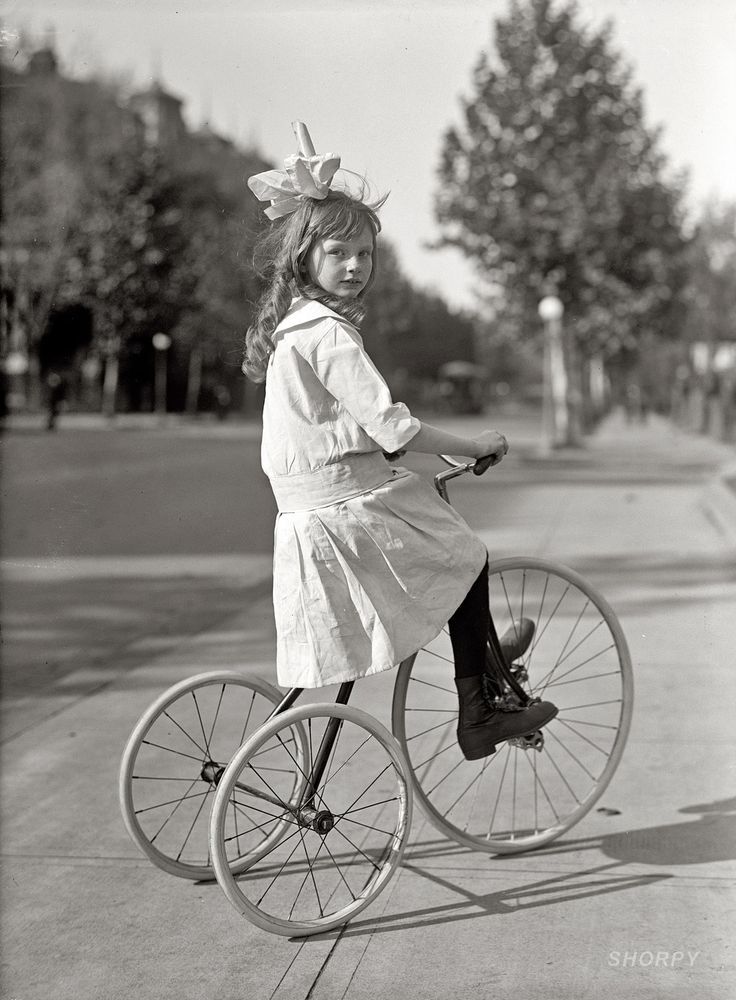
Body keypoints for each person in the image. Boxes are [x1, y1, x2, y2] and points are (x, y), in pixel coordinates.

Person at [244, 126, 557, 760]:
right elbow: (393, 427)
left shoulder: (293, 329)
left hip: (309, 514)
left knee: (446, 562)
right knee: (466, 556)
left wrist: (389, 449)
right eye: (338, 252)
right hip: (343, 513)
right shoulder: (329, 334)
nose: (355, 266)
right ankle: (479, 709)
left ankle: (487, 663)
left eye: (365, 254)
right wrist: (474, 446)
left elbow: (351, 429)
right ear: (304, 258)